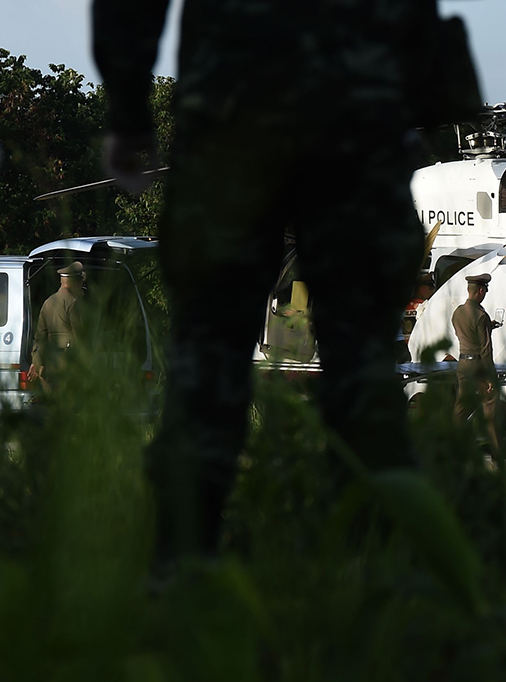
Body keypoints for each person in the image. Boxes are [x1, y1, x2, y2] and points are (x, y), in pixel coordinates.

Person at [93, 0, 480, 560]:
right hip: (356, 124)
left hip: (234, 115)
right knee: (362, 365)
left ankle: (182, 561)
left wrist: (129, 109)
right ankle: (375, 562)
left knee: (209, 354)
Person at [452, 273, 504, 454]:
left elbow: (464, 334)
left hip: (463, 364)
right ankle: (497, 451)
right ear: (481, 291)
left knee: (461, 408)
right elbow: (485, 350)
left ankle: (452, 446)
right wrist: (491, 376)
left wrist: (487, 326)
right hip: (479, 367)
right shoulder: (482, 315)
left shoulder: (457, 312)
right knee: (490, 405)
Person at [27, 262, 87, 391]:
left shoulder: (48, 302)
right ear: (76, 282)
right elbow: (81, 337)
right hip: (68, 364)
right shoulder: (74, 303)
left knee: (53, 406)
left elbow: (40, 336)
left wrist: (36, 363)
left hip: (48, 364)